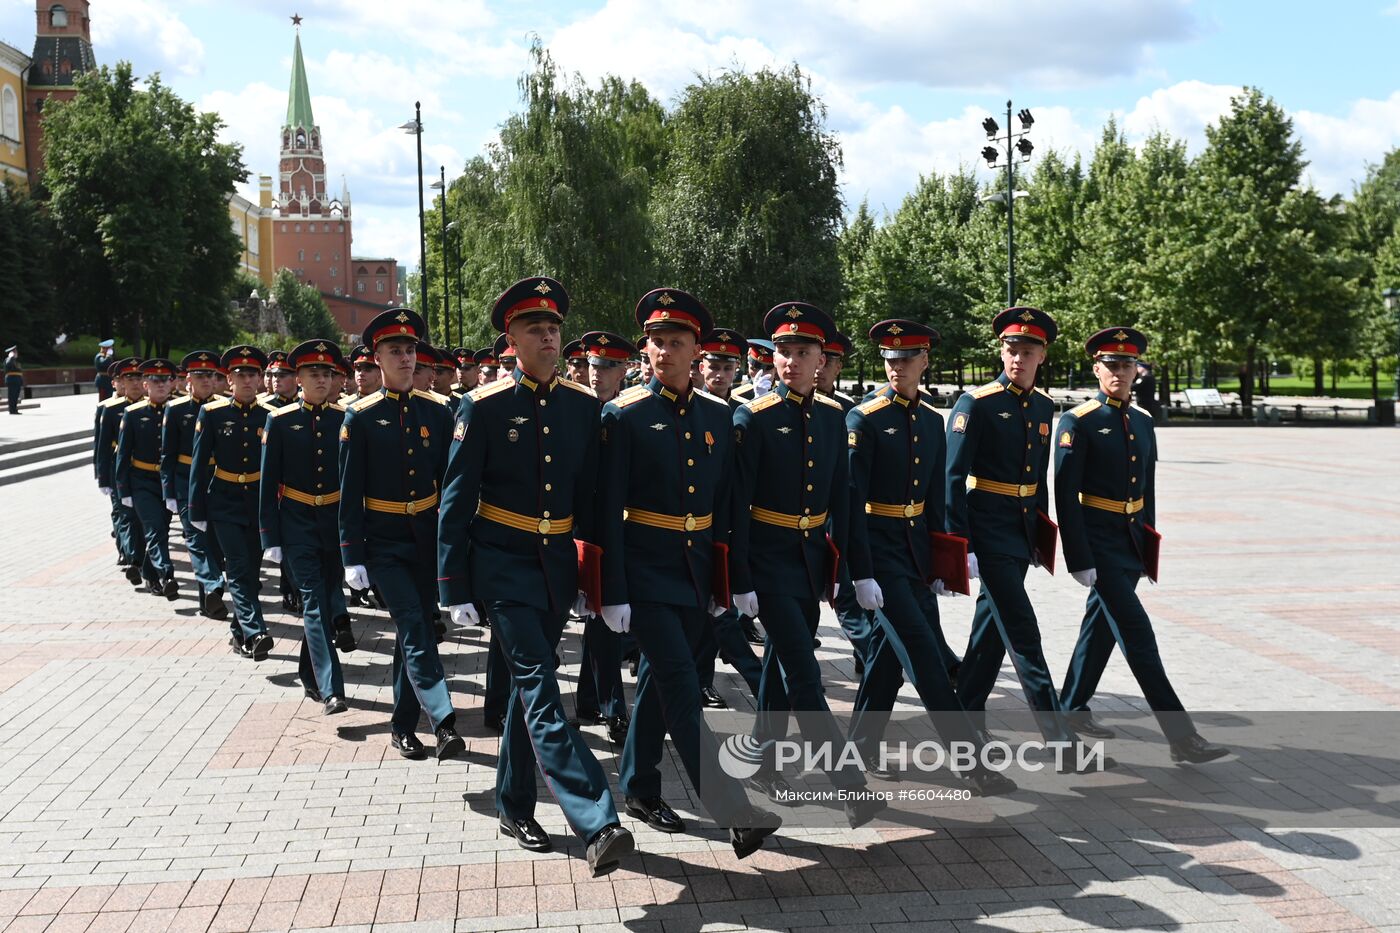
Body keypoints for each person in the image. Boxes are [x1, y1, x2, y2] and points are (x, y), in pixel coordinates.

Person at [439, 277, 633, 876]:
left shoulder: (583, 406)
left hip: (554, 567)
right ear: (511, 340)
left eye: (554, 328)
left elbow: (592, 500)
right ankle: (597, 818)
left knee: (530, 690)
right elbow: (455, 498)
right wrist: (453, 587)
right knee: (542, 688)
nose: (549, 336)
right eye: (535, 328)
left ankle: (514, 803)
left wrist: (598, 580)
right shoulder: (485, 406)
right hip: (502, 566)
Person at [598, 288, 780, 856]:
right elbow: (605, 510)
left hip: (697, 570)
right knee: (681, 685)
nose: (665, 352)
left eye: (677, 343)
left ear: (696, 351)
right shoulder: (623, 414)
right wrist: (611, 589)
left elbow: (728, 507)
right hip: (645, 570)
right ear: (645, 351)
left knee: (659, 681)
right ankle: (733, 811)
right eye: (656, 343)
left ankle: (640, 788)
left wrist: (730, 580)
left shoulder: (718, 416)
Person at [843, 321, 1015, 795]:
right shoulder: (864, 418)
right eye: (890, 359)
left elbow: (937, 496)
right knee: (923, 655)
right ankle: (970, 761)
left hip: (915, 551)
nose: (897, 367)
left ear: (924, 362)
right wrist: (860, 572)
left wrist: (943, 562)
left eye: (907, 359)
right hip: (880, 554)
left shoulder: (932, 420)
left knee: (884, 657)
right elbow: (850, 505)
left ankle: (859, 747)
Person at [730, 301, 881, 826]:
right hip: (768, 561)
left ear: (822, 359)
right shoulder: (753, 418)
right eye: (784, 352)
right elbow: (737, 507)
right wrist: (741, 580)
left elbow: (845, 500)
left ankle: (762, 761)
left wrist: (858, 571)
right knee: (803, 671)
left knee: (779, 664)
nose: (791, 361)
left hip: (811, 561)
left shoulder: (833, 417)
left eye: (803, 352)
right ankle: (850, 785)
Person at [947, 307, 1109, 772]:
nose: (1018, 358)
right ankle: (1058, 738)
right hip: (986, 532)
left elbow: (1038, 478)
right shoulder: (975, 403)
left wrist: (1040, 534)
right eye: (1011, 350)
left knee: (991, 631)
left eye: (1028, 351)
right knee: (1023, 633)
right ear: (1002, 351)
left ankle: (966, 714)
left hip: (1018, 532)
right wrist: (963, 544)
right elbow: (953, 477)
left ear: (1043, 356)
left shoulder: (1042, 407)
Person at [1056, 327, 1227, 764]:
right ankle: (1181, 737)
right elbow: (1065, 495)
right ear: (1096, 368)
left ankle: (1070, 709)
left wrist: (1147, 543)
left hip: (1130, 542)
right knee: (1138, 637)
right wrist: (1078, 556)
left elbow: (1146, 487)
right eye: (1110, 364)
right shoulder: (1080, 420)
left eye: (1126, 364)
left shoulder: (1143, 421)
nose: (1119, 371)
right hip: (1099, 544)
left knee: (1099, 630)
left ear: (1138, 370)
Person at [340, 309, 463, 760]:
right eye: (396, 351)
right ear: (378, 358)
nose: (406, 358)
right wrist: (351, 555)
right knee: (414, 625)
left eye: (411, 350)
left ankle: (401, 724)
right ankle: (444, 720)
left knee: (413, 634)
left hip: (427, 540)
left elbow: (451, 483)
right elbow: (349, 492)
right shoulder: (361, 417)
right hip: (384, 542)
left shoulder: (439, 411)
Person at [261, 340, 351, 716]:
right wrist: (271, 537)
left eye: (326, 373)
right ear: (298, 378)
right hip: (296, 521)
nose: (320, 379)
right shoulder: (280, 421)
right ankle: (332, 688)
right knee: (314, 602)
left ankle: (309, 673)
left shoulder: (344, 419)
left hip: (334, 522)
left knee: (329, 599)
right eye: (312, 373)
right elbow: (268, 482)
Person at [190, 346, 278, 661]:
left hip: (256, 503)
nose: (246, 379)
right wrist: (196, 510)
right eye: (239, 374)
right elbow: (199, 465)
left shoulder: (270, 415)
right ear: (228, 379)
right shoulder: (212, 414)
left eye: (252, 374)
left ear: (260, 379)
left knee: (251, 572)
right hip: (224, 501)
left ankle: (239, 634)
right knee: (239, 569)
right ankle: (256, 632)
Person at [691, 328, 764, 706]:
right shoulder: (694, 408)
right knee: (717, 614)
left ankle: (701, 678)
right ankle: (757, 682)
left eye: (726, 368)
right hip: (700, 525)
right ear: (700, 367)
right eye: (712, 366)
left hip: (735, 523)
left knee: (715, 613)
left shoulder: (741, 412)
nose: (718, 375)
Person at [572, 330, 633, 745]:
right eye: (594, 365)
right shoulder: (574, 409)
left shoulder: (630, 411)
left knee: (602, 620)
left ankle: (589, 699)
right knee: (600, 618)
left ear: (623, 370)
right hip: (585, 528)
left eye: (607, 366)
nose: (597, 373)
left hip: (627, 526)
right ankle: (613, 708)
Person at [162, 351, 227, 619]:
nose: (206, 380)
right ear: (189, 378)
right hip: (186, 481)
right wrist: (169, 493)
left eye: (211, 375)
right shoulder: (175, 410)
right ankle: (213, 585)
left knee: (212, 542)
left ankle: (207, 600)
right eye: (200, 375)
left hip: (218, 480)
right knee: (196, 538)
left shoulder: (225, 407)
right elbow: (167, 454)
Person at [115, 358, 182, 601]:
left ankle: (151, 574)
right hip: (142, 480)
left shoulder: (178, 410)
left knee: (161, 529)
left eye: (165, 379)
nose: (161, 385)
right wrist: (123, 490)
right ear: (146, 385)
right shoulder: (133, 414)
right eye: (155, 380)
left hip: (167, 482)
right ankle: (167, 575)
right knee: (154, 528)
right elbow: (123, 454)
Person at [97, 358, 150, 587]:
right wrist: (102, 476)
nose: (136, 383)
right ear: (121, 382)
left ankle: (143, 561)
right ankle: (132, 559)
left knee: (142, 519)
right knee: (126, 516)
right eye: (130, 378)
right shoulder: (109, 409)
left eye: (139, 378)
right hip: (118, 469)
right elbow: (100, 445)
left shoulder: (155, 406)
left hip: (145, 472)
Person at [729, 339, 774, 405]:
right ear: (748, 364)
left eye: (766, 370)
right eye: (754, 369)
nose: (759, 375)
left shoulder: (784, 394)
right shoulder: (736, 396)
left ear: (776, 368)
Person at [4, 345, 22, 415]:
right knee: (12, 396)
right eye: (15, 352)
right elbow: (8, 364)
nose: (16, 353)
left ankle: (14, 409)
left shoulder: (15, 361)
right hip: (12, 380)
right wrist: (11, 356)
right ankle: (12, 410)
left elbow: (19, 372)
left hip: (16, 380)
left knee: (15, 396)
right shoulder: (9, 359)